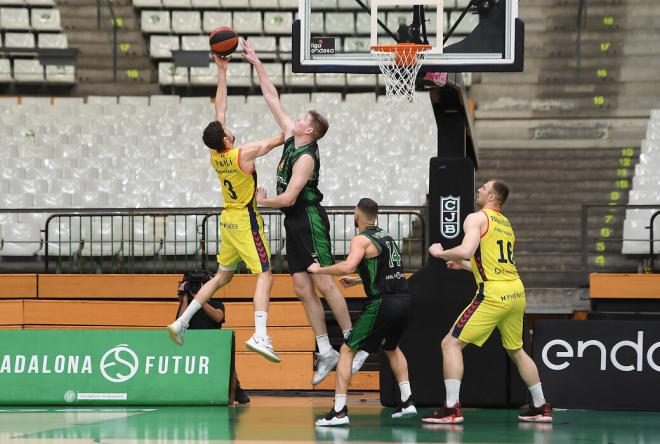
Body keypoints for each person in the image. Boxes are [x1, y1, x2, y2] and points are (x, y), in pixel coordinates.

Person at [240, 39, 368, 384]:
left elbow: (290, 198)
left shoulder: (307, 156)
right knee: (300, 285)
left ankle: (354, 341)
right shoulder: (290, 137)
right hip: (293, 222)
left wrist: (260, 200)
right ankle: (325, 350)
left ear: (309, 130)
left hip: (308, 218)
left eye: (301, 118)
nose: (295, 119)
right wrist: (256, 64)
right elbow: (272, 98)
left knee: (323, 280)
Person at [167, 54, 284, 364]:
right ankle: (260, 333)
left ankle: (181, 322)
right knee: (265, 275)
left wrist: (222, 71)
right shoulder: (243, 154)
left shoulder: (215, 156)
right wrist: (286, 126)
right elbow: (281, 137)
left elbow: (220, 109)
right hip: (246, 219)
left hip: (227, 220)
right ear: (226, 137)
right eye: (228, 129)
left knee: (220, 278)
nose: (230, 128)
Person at [422, 179, 552, 424]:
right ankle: (541, 406)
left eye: (484, 187)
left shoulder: (476, 218)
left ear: (492, 196)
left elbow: (465, 250)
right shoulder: (506, 223)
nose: (479, 189)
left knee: (450, 344)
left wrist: (440, 253)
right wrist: (464, 267)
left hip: (493, 294)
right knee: (517, 350)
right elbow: (493, 264)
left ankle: (451, 409)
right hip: (516, 292)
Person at [308, 198, 416, 426]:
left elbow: (348, 264)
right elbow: (388, 272)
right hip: (405, 299)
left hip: (383, 302)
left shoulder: (361, 238)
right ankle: (407, 401)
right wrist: (359, 280)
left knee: (347, 350)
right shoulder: (386, 237)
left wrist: (320, 269)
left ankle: (339, 411)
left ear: (358, 214)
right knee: (391, 347)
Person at [175, 271, 250, 405]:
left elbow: (218, 317)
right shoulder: (186, 307)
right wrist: (186, 299)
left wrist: (200, 300)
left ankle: (236, 390)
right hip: (192, 346)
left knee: (226, 368)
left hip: (213, 345)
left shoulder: (217, 304)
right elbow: (181, 319)